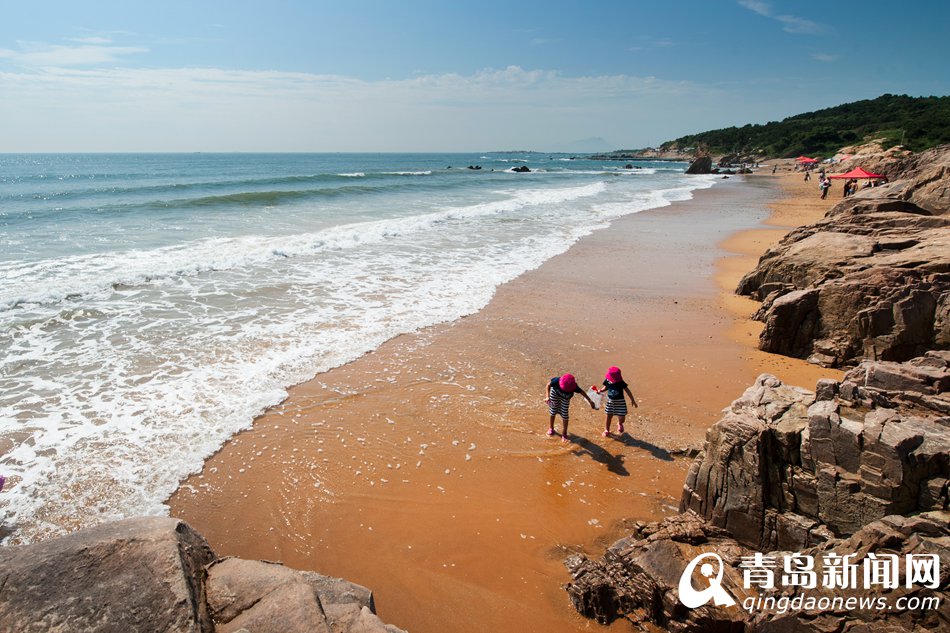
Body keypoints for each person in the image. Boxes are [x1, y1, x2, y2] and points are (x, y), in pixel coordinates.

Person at [544, 373, 595, 441]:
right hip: (555, 395)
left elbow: (582, 392)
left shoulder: (574, 386)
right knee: (553, 411)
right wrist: (547, 397)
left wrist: (590, 400)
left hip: (565, 399)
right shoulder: (556, 380)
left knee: (565, 414)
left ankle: (564, 433)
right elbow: (548, 385)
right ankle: (551, 428)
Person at [594, 366, 638, 436]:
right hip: (610, 402)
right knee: (609, 416)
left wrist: (632, 400)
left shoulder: (620, 382)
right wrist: (601, 390)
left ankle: (619, 423)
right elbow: (606, 387)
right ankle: (607, 430)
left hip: (620, 402)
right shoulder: (607, 380)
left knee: (622, 418)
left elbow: (627, 390)